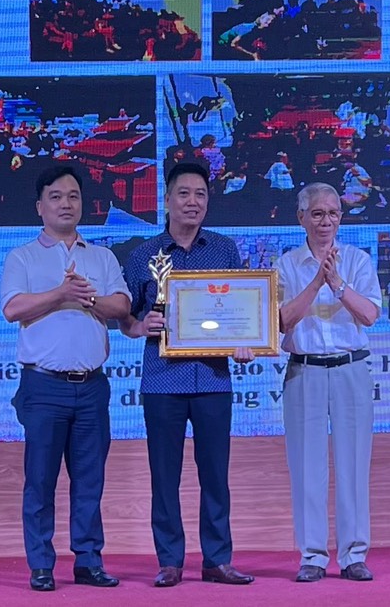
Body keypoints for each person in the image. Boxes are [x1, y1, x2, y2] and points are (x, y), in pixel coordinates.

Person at [122, 161, 256, 588]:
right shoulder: (144, 255)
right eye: (184, 193)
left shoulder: (224, 250)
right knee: (165, 476)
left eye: (200, 194)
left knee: (215, 475)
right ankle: (170, 562)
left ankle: (217, 560)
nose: (192, 202)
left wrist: (244, 341)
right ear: (167, 200)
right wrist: (139, 326)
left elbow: (239, 310)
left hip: (213, 379)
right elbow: (124, 316)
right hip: (162, 380)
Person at [0, 166, 130, 593]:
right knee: (40, 480)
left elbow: (121, 306)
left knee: (89, 481)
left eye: (73, 196)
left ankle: (88, 561)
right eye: (56, 197)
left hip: (92, 386)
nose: (66, 204)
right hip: (43, 387)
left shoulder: (102, 257)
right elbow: (13, 309)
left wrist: (88, 296)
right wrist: (61, 293)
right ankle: (41, 565)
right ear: (40, 206)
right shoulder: (22, 257)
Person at [276, 182, 381, 583]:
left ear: (341, 217)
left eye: (333, 213)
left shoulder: (357, 260)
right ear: (301, 217)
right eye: (317, 214)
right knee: (306, 466)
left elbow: (369, 315)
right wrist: (316, 282)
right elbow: (281, 321)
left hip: (351, 369)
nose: (325, 221)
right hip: (304, 370)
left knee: (353, 463)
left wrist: (336, 282)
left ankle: (354, 555)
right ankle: (313, 556)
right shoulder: (286, 265)